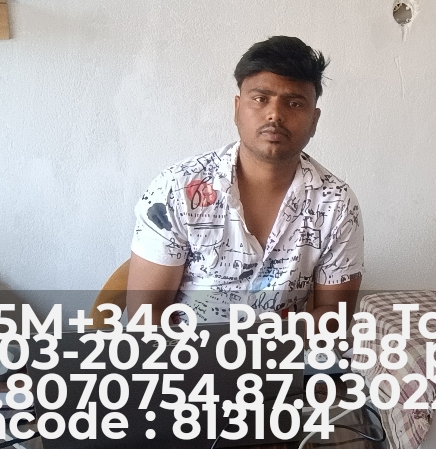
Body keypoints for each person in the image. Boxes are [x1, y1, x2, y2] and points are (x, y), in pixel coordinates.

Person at [127, 36, 363, 326]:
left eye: (294, 103)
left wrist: (268, 343)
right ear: (237, 109)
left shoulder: (336, 203)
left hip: (282, 351)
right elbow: (145, 315)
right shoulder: (177, 189)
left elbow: (334, 314)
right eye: (261, 99)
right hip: (185, 351)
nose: (275, 114)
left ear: (314, 121)